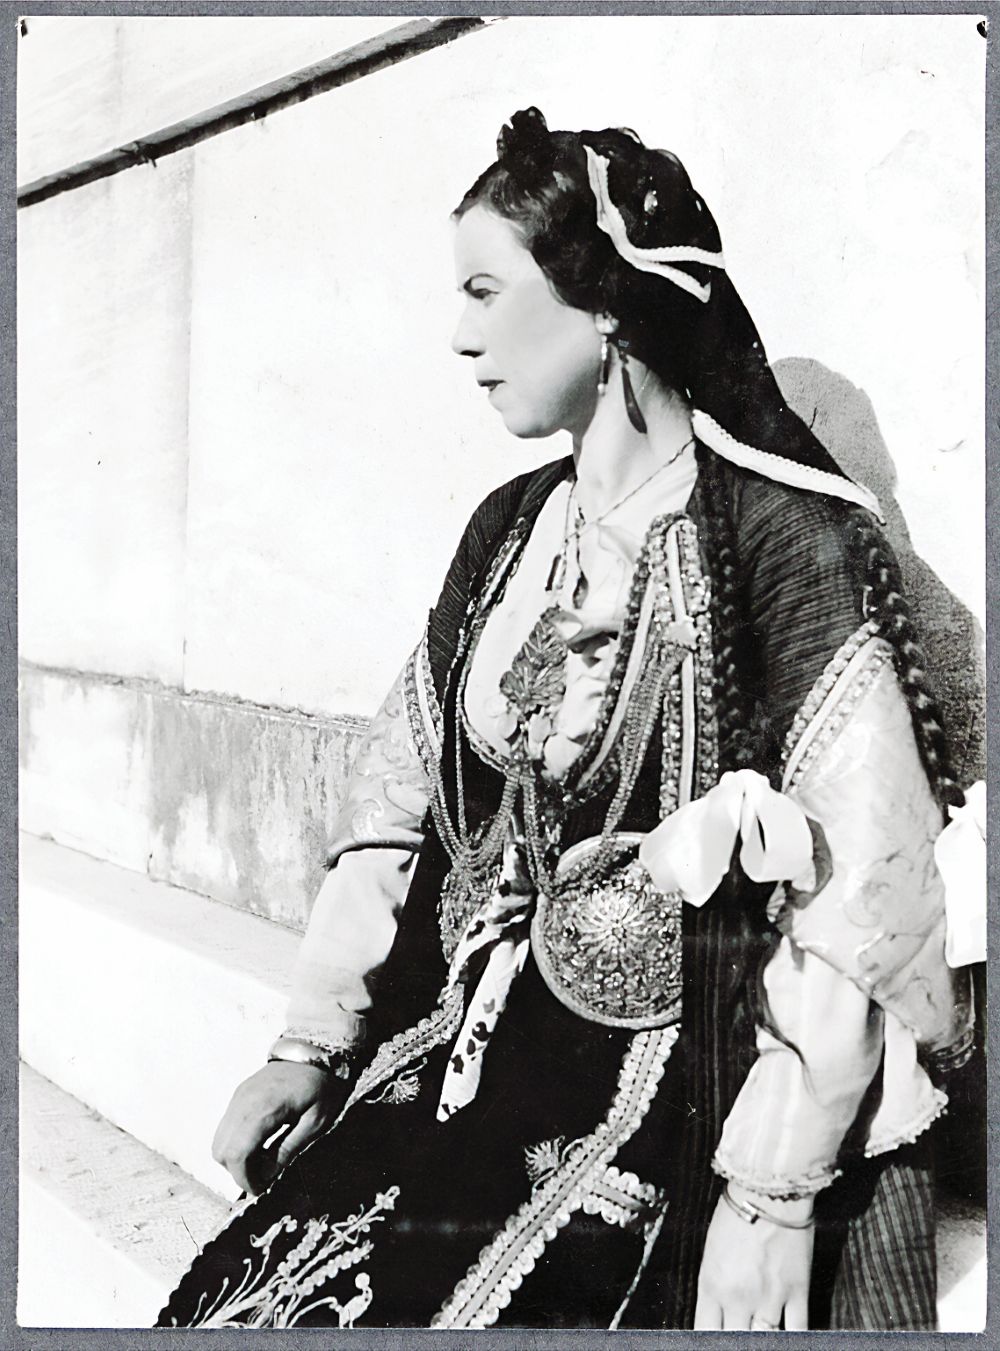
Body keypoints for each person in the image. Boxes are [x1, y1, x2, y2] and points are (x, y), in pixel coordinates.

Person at [157, 108, 977, 1331]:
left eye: (485, 292)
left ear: (600, 304)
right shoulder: (505, 531)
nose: (460, 335)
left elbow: (863, 895)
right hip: (464, 1061)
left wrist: (773, 1198)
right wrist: (308, 1045)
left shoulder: (783, 544)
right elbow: (396, 803)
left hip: (683, 1098)